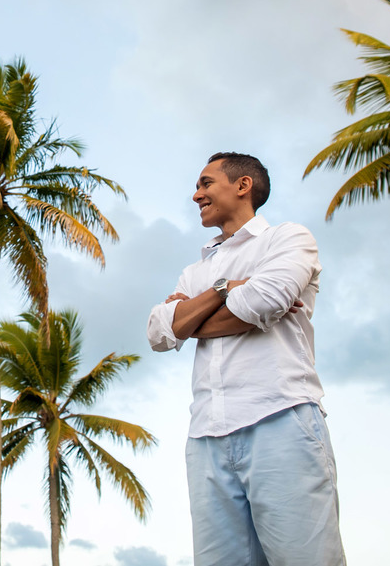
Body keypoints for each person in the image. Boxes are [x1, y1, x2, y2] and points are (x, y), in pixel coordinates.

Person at [146, 153, 344, 566]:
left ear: (243, 186)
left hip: (280, 418)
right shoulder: (195, 270)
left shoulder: (289, 238)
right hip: (206, 437)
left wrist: (191, 316)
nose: (195, 194)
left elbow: (262, 302)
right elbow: (160, 333)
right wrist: (224, 289)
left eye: (205, 183)